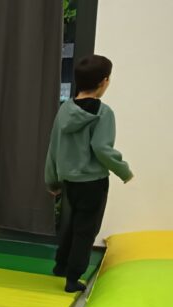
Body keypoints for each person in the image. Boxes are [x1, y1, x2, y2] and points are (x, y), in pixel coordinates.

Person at [45, 54, 133, 292]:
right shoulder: (103, 113)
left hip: (70, 182)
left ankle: (61, 265)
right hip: (93, 183)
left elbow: (54, 147)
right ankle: (73, 279)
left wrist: (52, 180)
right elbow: (102, 149)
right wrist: (124, 170)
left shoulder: (65, 110)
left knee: (72, 224)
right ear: (104, 82)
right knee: (86, 230)